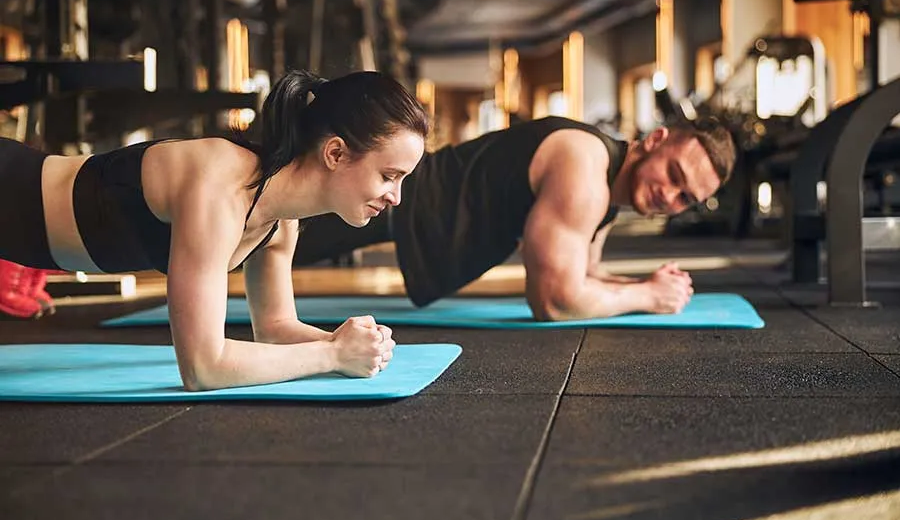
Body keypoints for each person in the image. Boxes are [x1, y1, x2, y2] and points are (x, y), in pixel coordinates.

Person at [0, 69, 429, 390]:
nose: (396, 197)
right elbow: (203, 368)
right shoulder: (222, 186)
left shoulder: (280, 223)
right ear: (335, 153)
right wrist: (331, 353)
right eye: (390, 175)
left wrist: (349, 345)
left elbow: (276, 329)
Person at [294, 116, 737, 320]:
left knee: (256, 244)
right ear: (656, 139)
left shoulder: (607, 189)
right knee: (250, 236)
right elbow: (557, 301)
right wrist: (647, 298)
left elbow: (586, 275)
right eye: (674, 175)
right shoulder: (585, 169)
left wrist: (650, 287)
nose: (670, 196)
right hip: (394, 196)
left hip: (405, 206)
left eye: (686, 199)